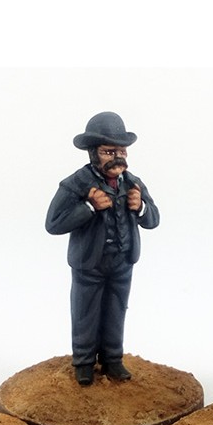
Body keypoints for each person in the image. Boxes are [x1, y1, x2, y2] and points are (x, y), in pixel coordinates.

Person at [46, 112, 160, 385]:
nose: (117, 157)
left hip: (122, 261)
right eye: (109, 151)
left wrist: (141, 207)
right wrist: (88, 207)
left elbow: (154, 219)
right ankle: (84, 363)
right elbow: (53, 223)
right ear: (93, 153)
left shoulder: (133, 183)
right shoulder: (76, 184)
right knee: (85, 313)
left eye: (121, 151)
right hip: (89, 263)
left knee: (116, 311)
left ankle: (113, 360)